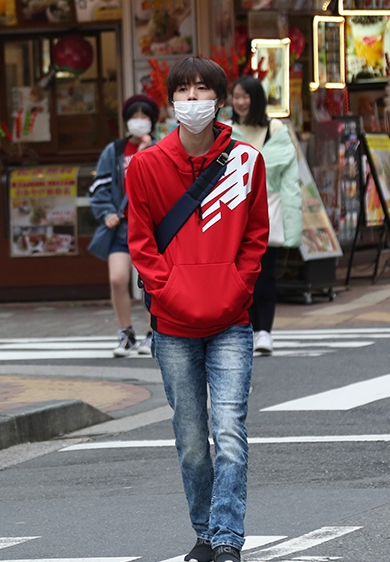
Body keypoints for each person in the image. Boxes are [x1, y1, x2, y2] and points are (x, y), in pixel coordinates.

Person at [126, 58, 269, 562]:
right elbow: (141, 243)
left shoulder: (247, 161)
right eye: (183, 90)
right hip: (172, 325)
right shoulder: (144, 166)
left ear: (221, 99)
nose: (193, 99)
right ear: (171, 102)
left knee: (229, 429)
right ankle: (206, 532)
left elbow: (255, 238)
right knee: (191, 439)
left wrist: (236, 287)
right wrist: (169, 293)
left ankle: (226, 539)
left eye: (202, 89)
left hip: (231, 320)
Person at [229, 75, 303, 356]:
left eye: (245, 96)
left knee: (265, 274)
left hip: (269, 210)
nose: (240, 102)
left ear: (256, 98)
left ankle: (264, 332)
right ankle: (247, 328)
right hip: (234, 212)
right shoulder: (226, 130)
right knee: (240, 276)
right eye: (236, 96)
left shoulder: (276, 129)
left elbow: (289, 182)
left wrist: (293, 225)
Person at [88, 94, 159, 357]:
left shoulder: (160, 148)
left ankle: (154, 333)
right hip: (121, 228)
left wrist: (147, 154)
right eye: (134, 117)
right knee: (118, 279)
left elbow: (165, 186)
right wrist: (106, 211)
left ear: (153, 121)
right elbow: (99, 187)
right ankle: (125, 332)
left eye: (144, 117)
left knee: (152, 281)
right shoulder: (114, 150)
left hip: (150, 227)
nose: (139, 121)